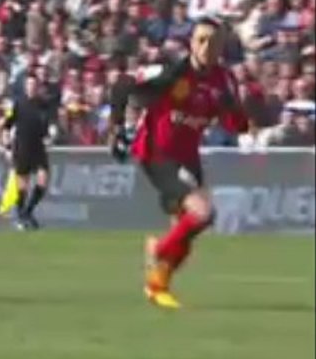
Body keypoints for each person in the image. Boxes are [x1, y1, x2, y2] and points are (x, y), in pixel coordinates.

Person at [106, 17, 255, 309]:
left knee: (186, 235)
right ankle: (157, 252)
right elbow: (122, 84)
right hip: (157, 153)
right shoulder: (172, 71)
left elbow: (236, 124)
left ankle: (157, 286)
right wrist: (116, 128)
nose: (206, 47)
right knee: (202, 213)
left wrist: (236, 113)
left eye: (213, 42)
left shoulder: (224, 80)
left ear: (222, 47)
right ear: (191, 43)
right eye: (201, 40)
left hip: (188, 157)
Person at [1, 75, 57, 230]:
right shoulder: (18, 104)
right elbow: (6, 126)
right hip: (22, 146)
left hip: (38, 147)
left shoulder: (44, 104)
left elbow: (49, 124)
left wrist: (50, 136)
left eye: (34, 84)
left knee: (43, 179)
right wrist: (7, 147)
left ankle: (28, 212)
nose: (31, 87)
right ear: (25, 87)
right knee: (22, 185)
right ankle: (21, 215)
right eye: (29, 84)